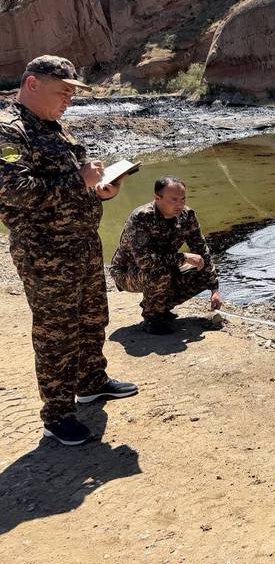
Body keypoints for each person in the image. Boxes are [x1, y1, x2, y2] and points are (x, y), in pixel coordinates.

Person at [0, 55, 138, 446]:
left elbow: (79, 182)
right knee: (56, 332)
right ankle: (57, 415)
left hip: (82, 243)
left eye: (72, 94)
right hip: (45, 252)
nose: (68, 101)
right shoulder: (9, 132)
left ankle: (92, 381)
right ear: (32, 85)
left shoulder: (56, 128)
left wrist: (101, 188)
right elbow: (13, 193)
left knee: (92, 317)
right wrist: (79, 181)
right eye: (62, 92)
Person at [110, 176, 223, 335]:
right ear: (157, 198)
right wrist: (183, 257)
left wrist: (214, 289)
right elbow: (146, 263)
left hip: (164, 265)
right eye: (174, 200)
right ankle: (152, 319)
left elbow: (201, 250)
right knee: (160, 273)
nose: (180, 204)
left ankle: (160, 307)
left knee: (201, 270)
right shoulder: (141, 218)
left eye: (183, 199)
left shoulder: (187, 216)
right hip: (128, 271)